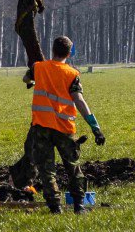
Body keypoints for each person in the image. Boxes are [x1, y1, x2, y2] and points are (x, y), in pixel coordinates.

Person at [27, 34, 106, 214]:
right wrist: (95, 127)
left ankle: (55, 207)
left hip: (41, 127)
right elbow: (79, 101)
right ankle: (79, 206)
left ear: (52, 50)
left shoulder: (38, 68)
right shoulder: (72, 74)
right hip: (64, 129)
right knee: (73, 167)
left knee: (47, 171)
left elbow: (26, 78)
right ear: (69, 54)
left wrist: (32, 81)